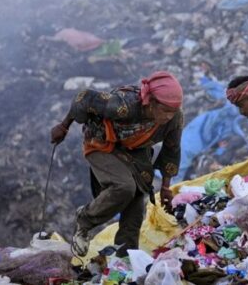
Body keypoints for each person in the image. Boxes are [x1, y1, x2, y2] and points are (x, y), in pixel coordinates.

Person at [50, 71, 184, 257]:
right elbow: (84, 98)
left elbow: (172, 150)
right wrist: (64, 126)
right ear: (151, 102)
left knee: (136, 205)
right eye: (165, 111)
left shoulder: (175, 118)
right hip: (103, 143)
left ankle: (125, 259)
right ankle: (85, 220)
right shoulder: (123, 105)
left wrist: (167, 187)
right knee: (124, 187)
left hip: (136, 152)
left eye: (173, 111)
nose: (169, 116)